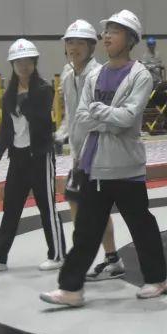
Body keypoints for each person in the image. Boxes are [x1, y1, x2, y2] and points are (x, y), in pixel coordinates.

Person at [40, 9, 167, 307]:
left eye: (115, 31)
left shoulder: (140, 75)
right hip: (93, 164)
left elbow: (128, 118)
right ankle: (71, 288)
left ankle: (158, 278)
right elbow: (82, 116)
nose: (107, 36)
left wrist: (101, 114)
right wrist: (107, 117)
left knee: (140, 225)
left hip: (126, 167)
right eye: (107, 31)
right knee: (86, 230)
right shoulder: (95, 75)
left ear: (131, 39)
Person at [0, 39, 66, 272]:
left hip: (40, 157)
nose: (23, 66)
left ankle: (57, 254)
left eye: (28, 62)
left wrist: (20, 101)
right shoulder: (8, 95)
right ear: (13, 65)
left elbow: (39, 117)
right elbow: (6, 128)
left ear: (34, 63)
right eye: (18, 62)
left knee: (47, 206)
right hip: (18, 158)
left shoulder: (43, 90)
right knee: (11, 207)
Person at [53, 20, 122, 280]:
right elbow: (71, 114)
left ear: (92, 46)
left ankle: (85, 261)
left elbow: (99, 116)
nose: (74, 47)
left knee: (90, 208)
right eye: (70, 42)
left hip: (97, 153)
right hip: (78, 154)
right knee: (78, 202)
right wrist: (61, 134)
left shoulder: (99, 75)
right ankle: (108, 258)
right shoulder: (67, 74)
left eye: (80, 42)